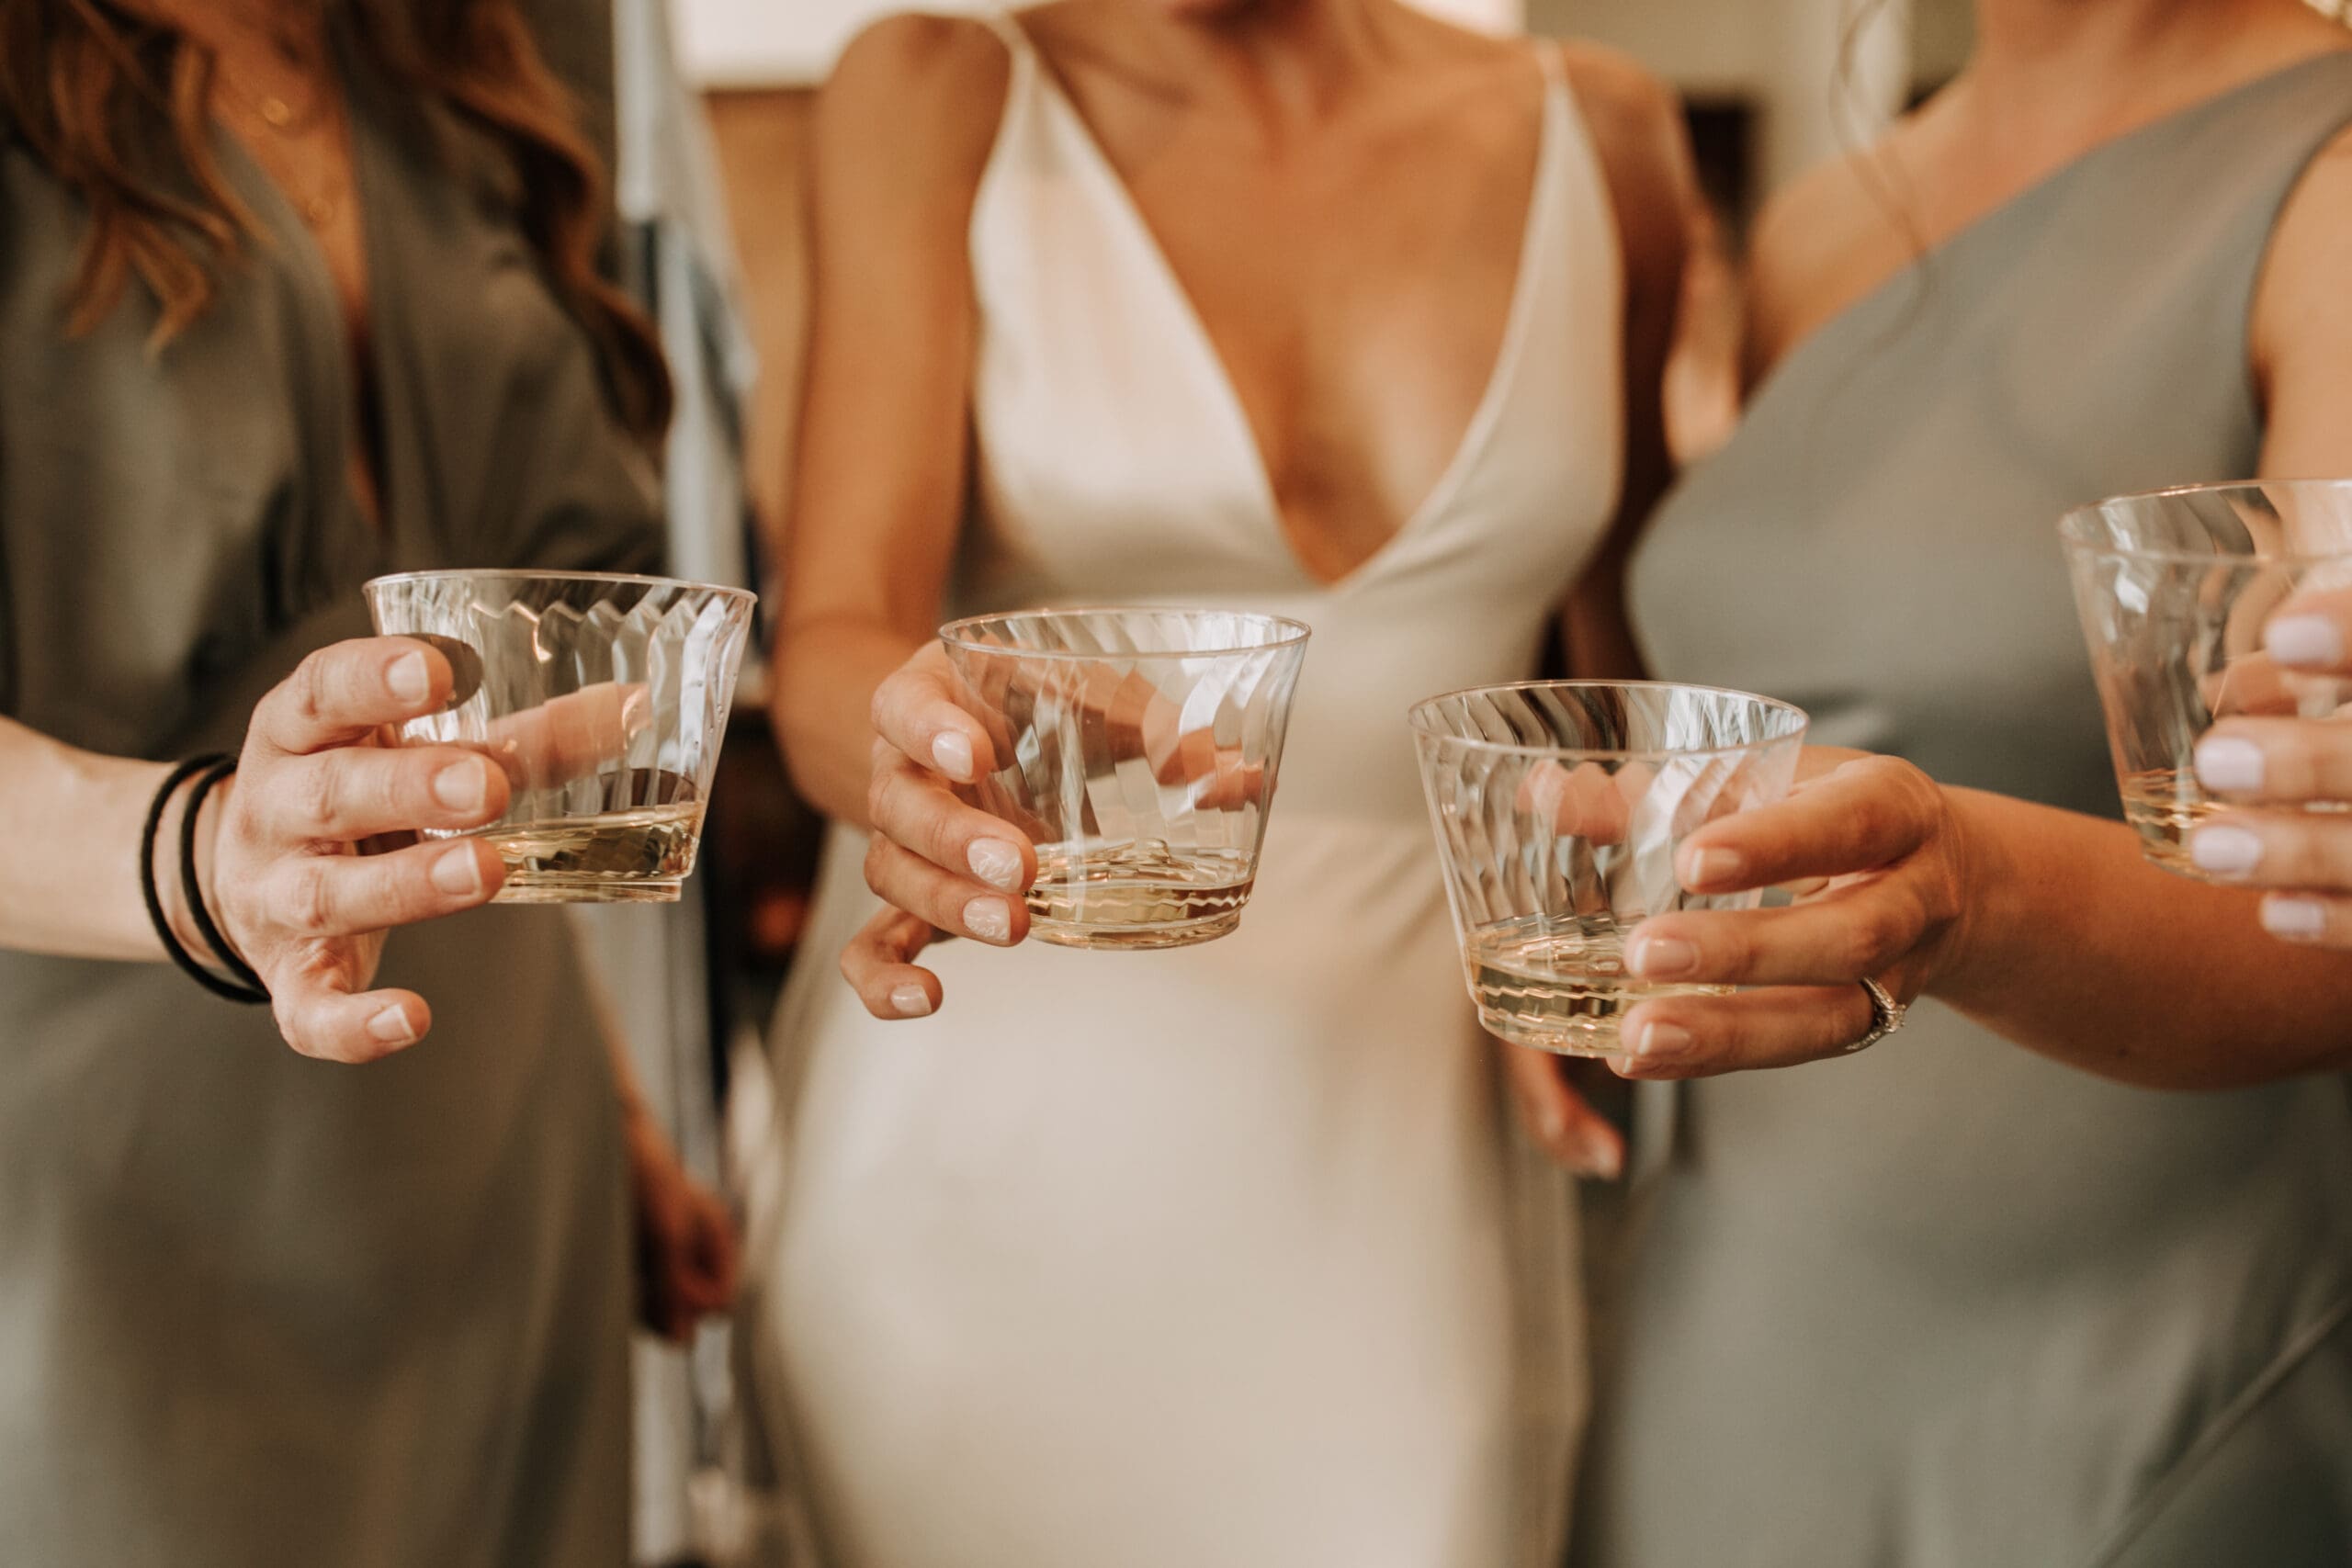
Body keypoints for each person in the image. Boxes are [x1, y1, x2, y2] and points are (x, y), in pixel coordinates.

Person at [752, 0, 1696, 1560]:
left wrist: (1591, 932)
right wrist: (941, 741)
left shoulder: (1603, 138)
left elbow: (1618, 695)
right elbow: (831, 646)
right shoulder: (938, 94)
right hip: (993, 1155)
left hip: (1411, 1152)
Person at [1558, 0, 2352, 1561]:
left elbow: (2327, 907)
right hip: (1742, 1289)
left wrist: (1963, 889)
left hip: (2135, 1335)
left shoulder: (2324, 188)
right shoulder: (1818, 224)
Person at [0, 1, 733, 1562]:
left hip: (497, 1137)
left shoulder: (449, 61)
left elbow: (464, 739)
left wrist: (611, 1111)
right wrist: (207, 857)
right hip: (124, 1159)